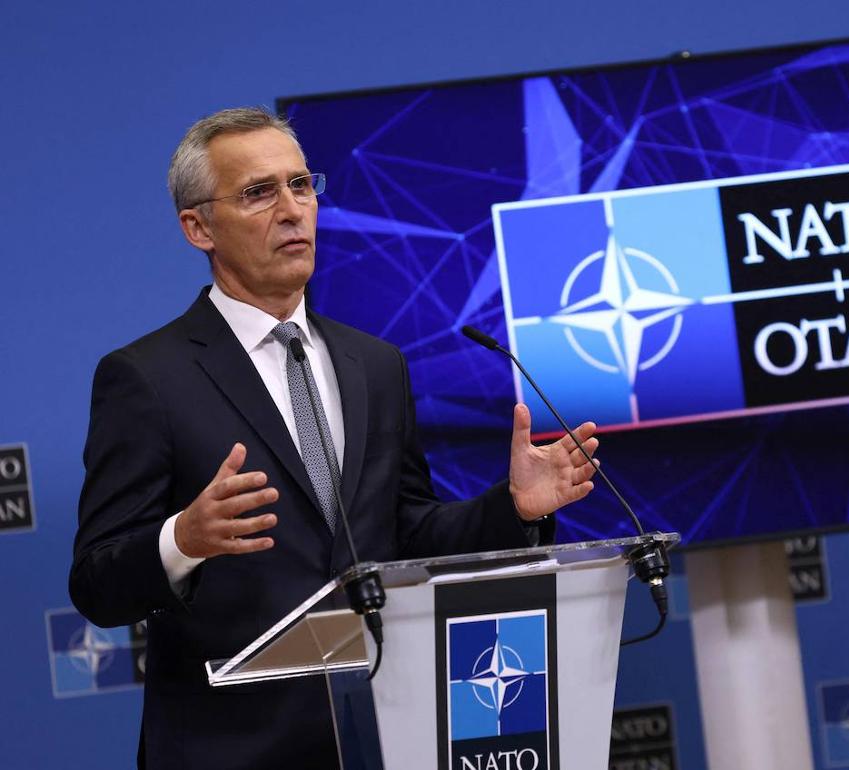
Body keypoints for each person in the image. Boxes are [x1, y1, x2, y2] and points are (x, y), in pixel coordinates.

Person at [69, 107, 599, 769]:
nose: (293, 210)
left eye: (301, 185)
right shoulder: (148, 378)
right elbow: (96, 583)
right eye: (258, 193)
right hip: (230, 748)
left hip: (385, 734)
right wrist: (183, 539)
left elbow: (406, 535)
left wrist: (514, 508)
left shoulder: (374, 364)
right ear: (197, 227)